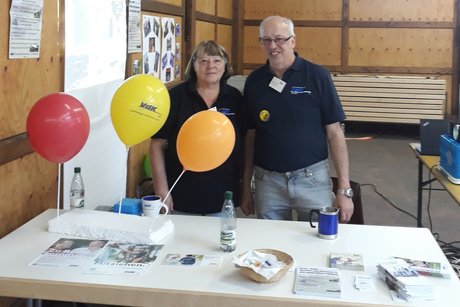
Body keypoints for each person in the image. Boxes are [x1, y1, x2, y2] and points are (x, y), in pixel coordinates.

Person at [240, 16, 354, 223]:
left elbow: (335, 133)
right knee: (270, 248)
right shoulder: (254, 81)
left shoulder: (317, 76)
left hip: (312, 180)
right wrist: (246, 186)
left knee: (317, 243)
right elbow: (250, 136)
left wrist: (344, 189)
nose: (272, 46)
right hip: (268, 183)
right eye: (266, 40)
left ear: (293, 41)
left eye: (279, 39)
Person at [149, 40, 245, 216]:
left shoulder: (235, 98)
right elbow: (157, 144)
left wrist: (245, 190)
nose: (211, 66)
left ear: (225, 66)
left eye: (217, 60)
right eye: (203, 61)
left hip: (222, 195)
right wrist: (162, 190)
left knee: (218, 241)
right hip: (181, 195)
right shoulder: (175, 97)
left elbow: (246, 143)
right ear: (193, 66)